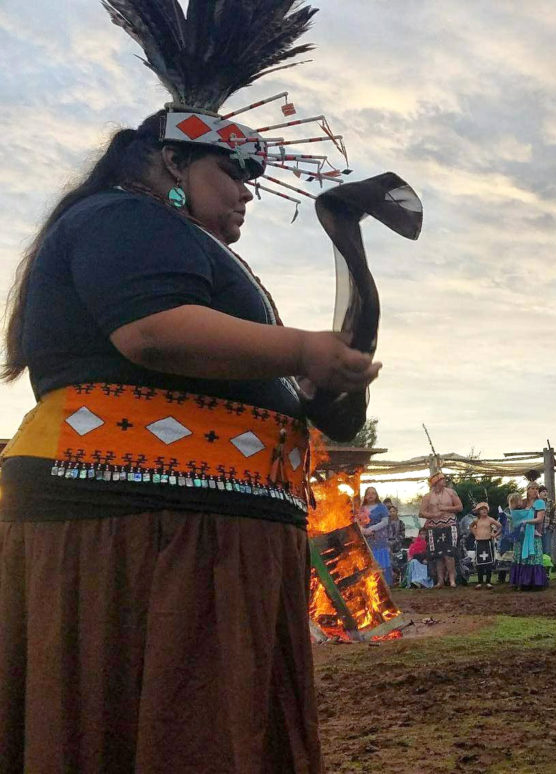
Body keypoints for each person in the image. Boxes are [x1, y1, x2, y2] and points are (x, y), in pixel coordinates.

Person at [0, 4, 383, 769]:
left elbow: (237, 373)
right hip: (146, 533)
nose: (247, 192)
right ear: (172, 163)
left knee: (203, 726)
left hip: (188, 527)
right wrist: (305, 347)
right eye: (232, 172)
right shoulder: (120, 217)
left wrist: (324, 390)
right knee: (177, 727)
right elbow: (151, 331)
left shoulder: (177, 240)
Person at [418, 472, 463, 588]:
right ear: (436, 482)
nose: (444, 481)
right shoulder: (427, 496)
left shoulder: (451, 492)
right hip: (434, 527)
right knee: (438, 556)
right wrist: (433, 515)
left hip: (450, 525)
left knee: (449, 554)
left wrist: (446, 508)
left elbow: (459, 507)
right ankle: (440, 580)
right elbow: (421, 513)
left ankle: (452, 579)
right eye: (442, 479)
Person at [509, 486, 549, 590]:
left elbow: (540, 519)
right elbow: (513, 510)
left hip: (533, 534)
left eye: (536, 488)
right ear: (527, 490)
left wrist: (526, 521)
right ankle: (521, 583)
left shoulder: (539, 503)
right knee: (520, 558)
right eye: (532, 488)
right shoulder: (522, 502)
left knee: (533, 558)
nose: (535, 490)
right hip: (521, 535)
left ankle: (535, 582)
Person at [360, 486, 392, 585]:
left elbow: (385, 522)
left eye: (373, 493)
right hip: (366, 539)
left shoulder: (382, 507)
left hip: (379, 539)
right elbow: (358, 522)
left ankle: (385, 583)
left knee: (381, 559)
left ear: (376, 495)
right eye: (368, 493)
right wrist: (363, 530)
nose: (371, 495)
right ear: (365, 496)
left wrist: (371, 529)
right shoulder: (361, 508)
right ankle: (371, 584)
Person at [469, 502, 502, 588]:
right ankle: (479, 581)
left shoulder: (490, 519)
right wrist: (475, 533)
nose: (484, 511)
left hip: (487, 542)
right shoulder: (476, 520)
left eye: (485, 509)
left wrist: (495, 534)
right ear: (479, 511)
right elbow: (471, 526)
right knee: (479, 563)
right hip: (479, 542)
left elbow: (500, 526)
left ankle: (488, 581)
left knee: (488, 563)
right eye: (482, 510)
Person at [538, 484, 556, 559]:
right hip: (536, 530)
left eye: (546, 491)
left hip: (546, 529)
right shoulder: (535, 502)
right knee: (537, 549)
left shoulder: (551, 503)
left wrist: (551, 528)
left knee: (547, 550)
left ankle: (546, 568)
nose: (545, 493)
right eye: (543, 491)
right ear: (539, 493)